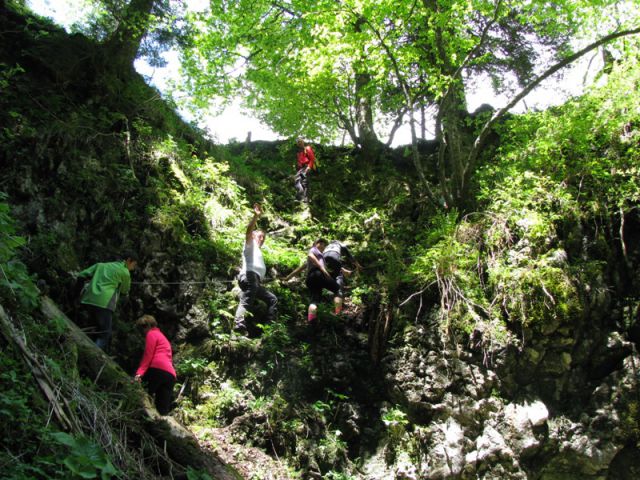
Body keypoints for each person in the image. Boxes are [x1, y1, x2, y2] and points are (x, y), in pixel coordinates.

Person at [77, 252, 138, 351]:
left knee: (92, 327)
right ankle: (91, 353)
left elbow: (82, 275)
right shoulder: (125, 272)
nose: (133, 268)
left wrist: (75, 295)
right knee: (105, 334)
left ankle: (82, 347)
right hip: (104, 303)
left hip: (88, 299)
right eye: (134, 265)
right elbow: (124, 290)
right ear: (128, 260)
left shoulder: (101, 265)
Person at [234, 203, 278, 335]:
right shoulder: (250, 244)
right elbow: (248, 230)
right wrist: (256, 216)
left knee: (272, 299)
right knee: (248, 298)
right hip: (249, 276)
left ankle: (269, 326)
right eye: (260, 236)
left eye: (263, 237)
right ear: (253, 236)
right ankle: (238, 322)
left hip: (255, 280)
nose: (262, 239)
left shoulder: (257, 251)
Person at [134, 315, 176, 416]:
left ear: (146, 326)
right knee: (162, 410)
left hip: (157, 370)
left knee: (140, 395)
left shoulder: (151, 334)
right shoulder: (162, 337)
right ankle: (163, 428)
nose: (142, 333)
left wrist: (139, 373)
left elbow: (148, 355)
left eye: (141, 329)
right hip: (170, 375)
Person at [294, 138, 316, 202]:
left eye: (300, 142)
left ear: (303, 142)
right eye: (298, 142)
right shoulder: (299, 152)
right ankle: (303, 198)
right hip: (301, 168)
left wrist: (309, 167)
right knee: (300, 182)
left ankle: (304, 198)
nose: (299, 143)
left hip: (306, 167)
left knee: (302, 182)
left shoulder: (307, 148)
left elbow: (312, 159)